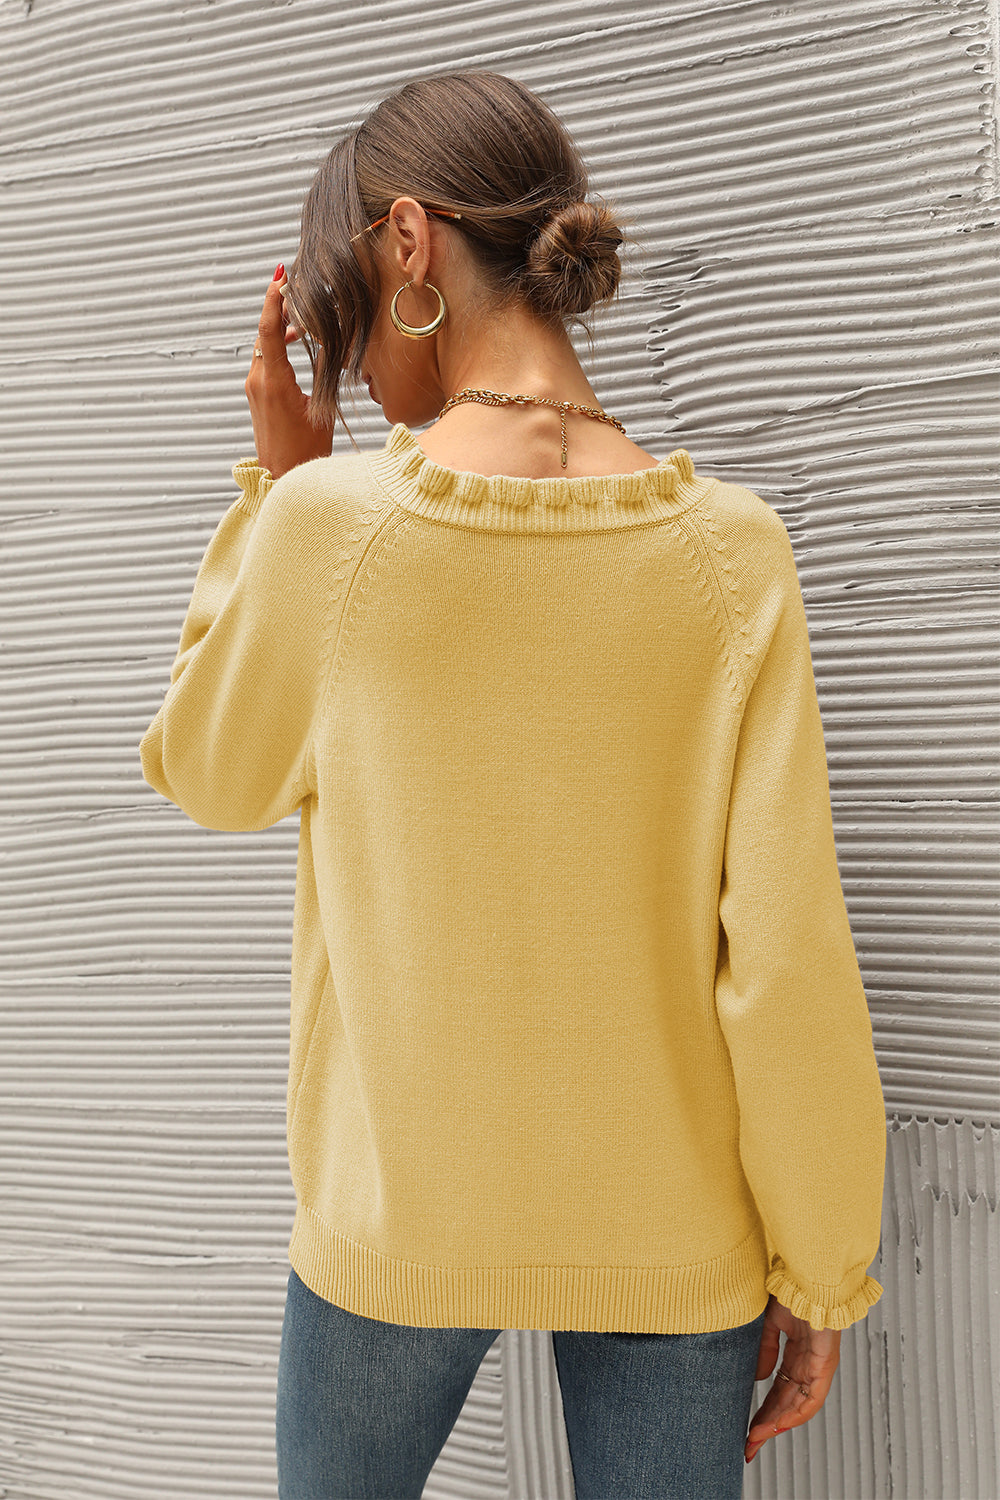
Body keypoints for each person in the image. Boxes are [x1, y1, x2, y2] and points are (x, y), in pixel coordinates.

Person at [139, 69, 887, 1500]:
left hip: (399, 1218)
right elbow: (786, 955)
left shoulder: (333, 527)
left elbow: (210, 771)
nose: (353, 370)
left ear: (408, 242)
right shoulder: (733, 554)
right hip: (676, 1235)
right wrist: (820, 1262)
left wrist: (273, 491)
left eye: (344, 314)